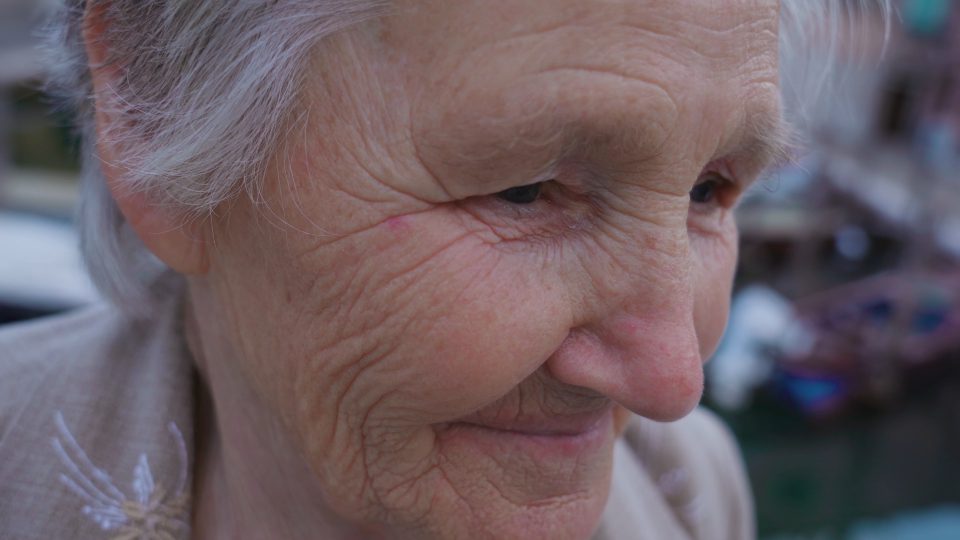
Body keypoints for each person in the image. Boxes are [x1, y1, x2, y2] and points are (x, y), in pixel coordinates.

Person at [0, 1, 885, 538]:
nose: (671, 382)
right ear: (156, 107)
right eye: (526, 191)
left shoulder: (693, 490)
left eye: (707, 190)